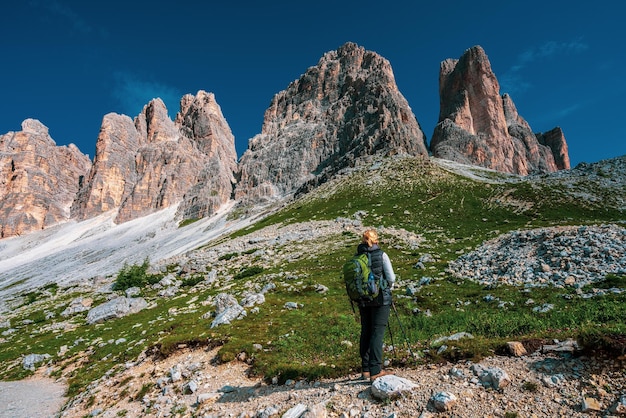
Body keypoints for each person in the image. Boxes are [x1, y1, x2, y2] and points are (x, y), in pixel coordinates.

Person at [355, 228, 396, 382]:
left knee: (366, 331)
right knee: (377, 333)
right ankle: (375, 370)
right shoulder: (382, 255)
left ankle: (365, 370)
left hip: (363, 300)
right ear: (376, 240)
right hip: (380, 299)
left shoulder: (358, 256)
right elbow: (391, 277)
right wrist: (388, 288)